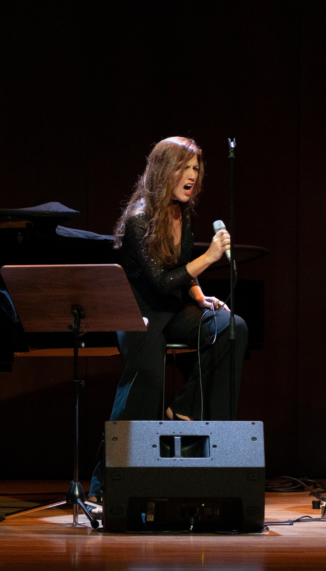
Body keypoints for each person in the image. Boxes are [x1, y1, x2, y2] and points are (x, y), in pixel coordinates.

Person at [89, 137, 248, 498]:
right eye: (184, 167)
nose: (192, 175)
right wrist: (208, 257)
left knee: (231, 328)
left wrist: (197, 294)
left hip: (174, 308)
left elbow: (179, 270)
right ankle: (107, 482)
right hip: (139, 312)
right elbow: (159, 282)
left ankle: (190, 417)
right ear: (163, 171)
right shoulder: (138, 218)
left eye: (196, 168)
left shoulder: (183, 211)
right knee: (147, 382)